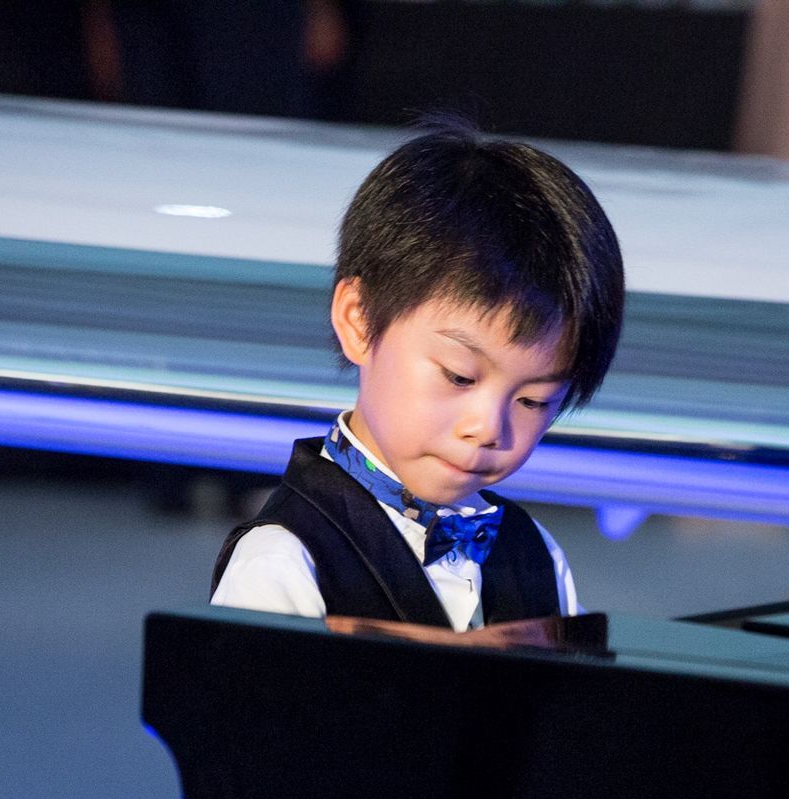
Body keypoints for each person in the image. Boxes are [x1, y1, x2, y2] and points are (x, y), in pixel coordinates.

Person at [211, 122, 624, 629]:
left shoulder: (536, 554)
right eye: (459, 377)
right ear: (359, 321)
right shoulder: (283, 562)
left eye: (535, 400)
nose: (488, 428)